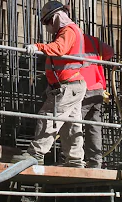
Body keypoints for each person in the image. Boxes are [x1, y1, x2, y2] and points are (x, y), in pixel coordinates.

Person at [19, 1, 87, 167]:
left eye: (48, 22)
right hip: (72, 86)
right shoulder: (70, 31)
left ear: (55, 18)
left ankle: (36, 154)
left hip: (68, 86)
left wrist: (38, 47)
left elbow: (59, 48)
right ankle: (75, 160)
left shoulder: (68, 31)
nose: (48, 27)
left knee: (49, 116)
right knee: (71, 125)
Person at [79, 34, 114, 168]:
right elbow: (109, 52)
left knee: (72, 124)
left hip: (81, 85)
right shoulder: (93, 40)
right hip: (97, 87)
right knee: (94, 126)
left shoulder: (69, 37)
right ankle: (95, 162)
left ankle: (70, 159)